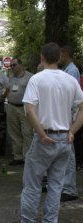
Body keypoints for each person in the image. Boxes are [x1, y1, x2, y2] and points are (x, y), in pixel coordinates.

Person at [5, 42, 83, 223]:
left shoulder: (37, 79)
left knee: (32, 184)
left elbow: (29, 109)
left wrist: (40, 134)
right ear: (59, 58)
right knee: (56, 184)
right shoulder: (70, 80)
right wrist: (72, 131)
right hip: (65, 137)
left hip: (45, 137)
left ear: (42, 57)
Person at [58, 45, 81, 202]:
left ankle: (69, 188)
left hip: (69, 115)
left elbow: (73, 96)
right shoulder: (68, 69)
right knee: (66, 152)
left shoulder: (71, 71)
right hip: (67, 114)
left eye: (60, 54)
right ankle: (65, 186)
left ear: (65, 54)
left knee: (69, 153)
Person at [6, 58, 33, 165]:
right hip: (12, 106)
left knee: (27, 132)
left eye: (14, 65)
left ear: (21, 65)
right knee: (14, 133)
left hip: (24, 108)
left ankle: (27, 157)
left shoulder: (30, 77)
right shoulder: (11, 77)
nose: (12, 67)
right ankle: (18, 157)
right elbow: (8, 90)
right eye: (11, 66)